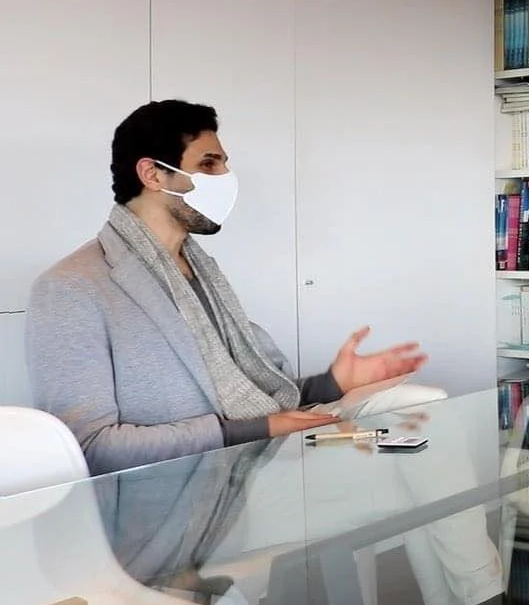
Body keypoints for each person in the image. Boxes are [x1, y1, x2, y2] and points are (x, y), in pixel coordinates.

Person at [25, 100, 429, 475]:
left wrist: (333, 383)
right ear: (152, 174)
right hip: (173, 495)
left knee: (416, 403)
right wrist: (250, 431)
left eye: (223, 164)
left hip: (246, 474)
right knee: (402, 467)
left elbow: (250, 393)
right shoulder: (71, 288)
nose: (225, 178)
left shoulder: (201, 272)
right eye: (208, 164)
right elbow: (89, 447)